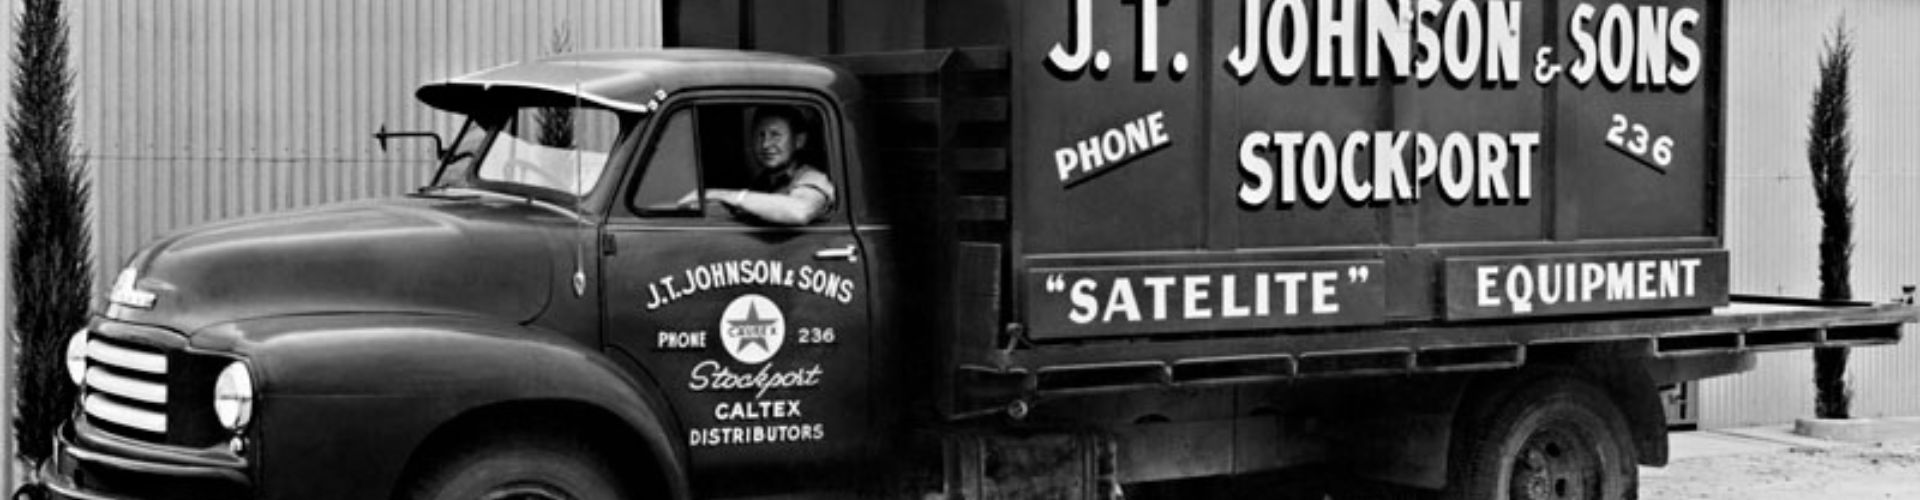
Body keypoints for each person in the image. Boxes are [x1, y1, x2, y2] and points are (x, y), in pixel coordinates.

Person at [681, 106, 835, 225]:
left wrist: (721, 194)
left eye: (775, 135)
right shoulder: (762, 182)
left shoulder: (812, 178)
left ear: (799, 141)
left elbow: (800, 211)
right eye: (760, 135)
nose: (766, 144)